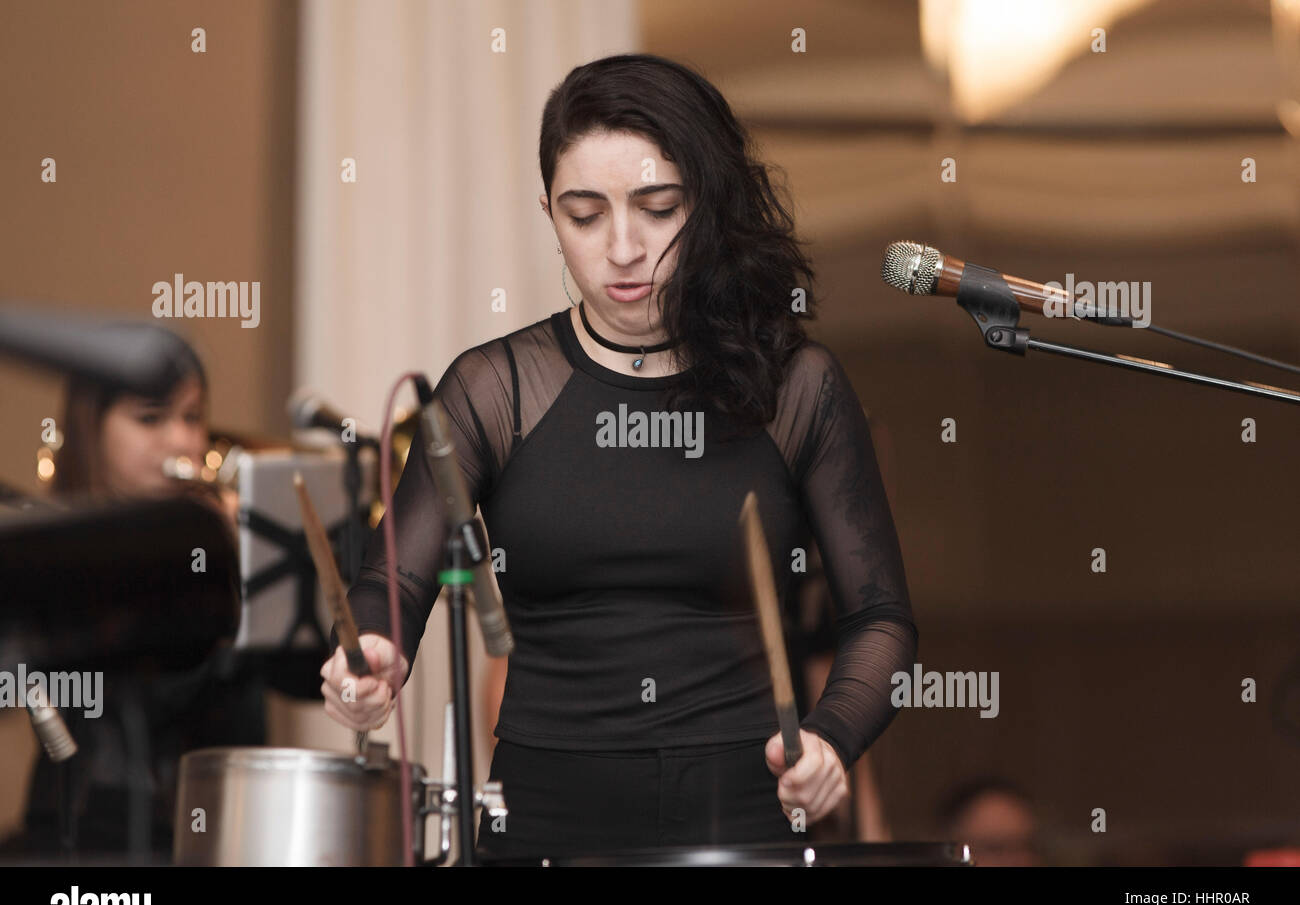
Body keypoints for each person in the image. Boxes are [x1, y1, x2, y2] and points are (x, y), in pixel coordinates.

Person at [320, 53, 919, 860]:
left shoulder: (796, 388)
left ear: (706, 207)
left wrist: (832, 738)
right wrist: (372, 656)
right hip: (542, 821)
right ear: (549, 215)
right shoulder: (493, 389)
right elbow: (393, 578)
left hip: (741, 819)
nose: (624, 248)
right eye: (585, 214)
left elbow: (880, 616)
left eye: (657, 207)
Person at [1, 326, 320, 860]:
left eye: (192, 417)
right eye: (151, 419)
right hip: (83, 847)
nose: (183, 442)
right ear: (91, 430)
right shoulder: (54, 558)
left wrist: (257, 560)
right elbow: (151, 698)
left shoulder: (236, 540)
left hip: (229, 840)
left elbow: (311, 676)